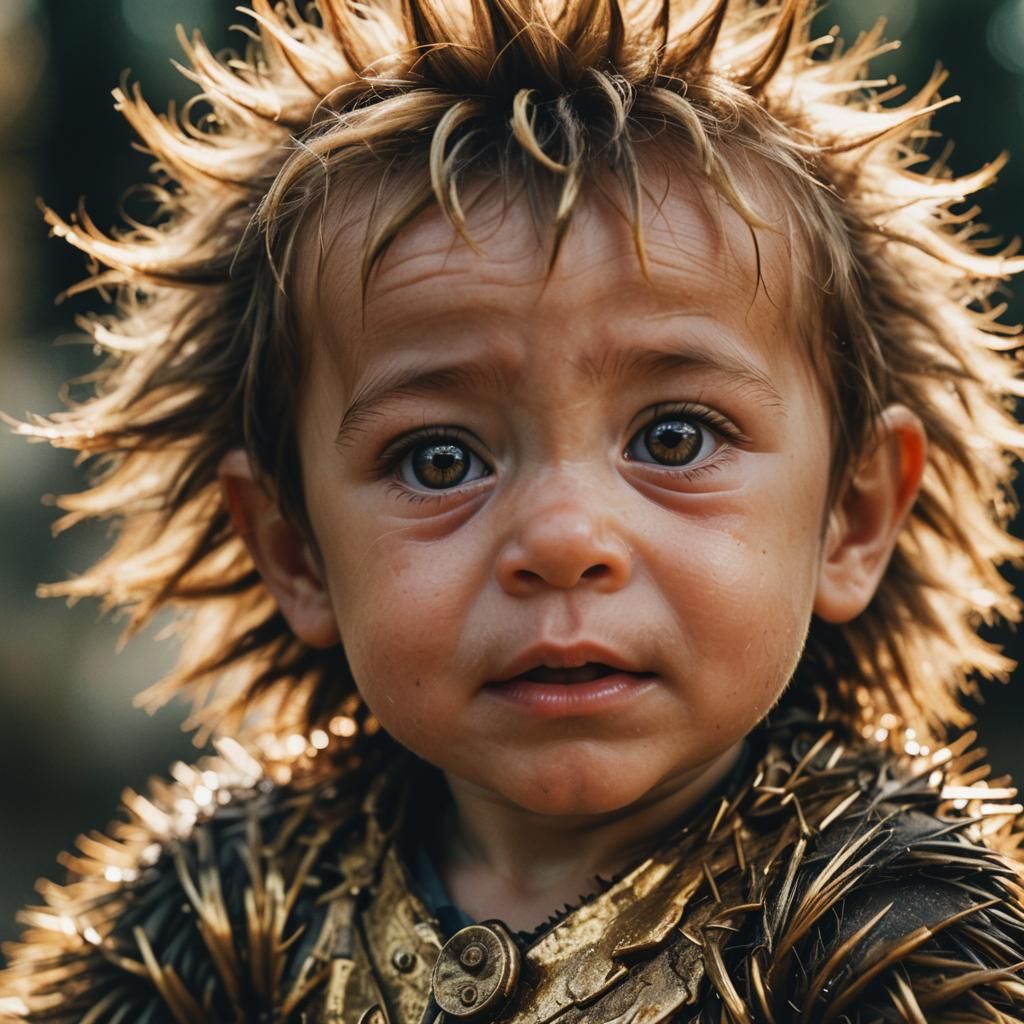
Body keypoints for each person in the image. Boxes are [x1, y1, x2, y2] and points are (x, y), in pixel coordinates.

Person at [2, 0, 1023, 1019]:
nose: (563, 538)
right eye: (439, 458)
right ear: (294, 550)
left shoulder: (901, 935)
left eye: (674, 438)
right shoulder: (204, 920)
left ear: (851, 517)